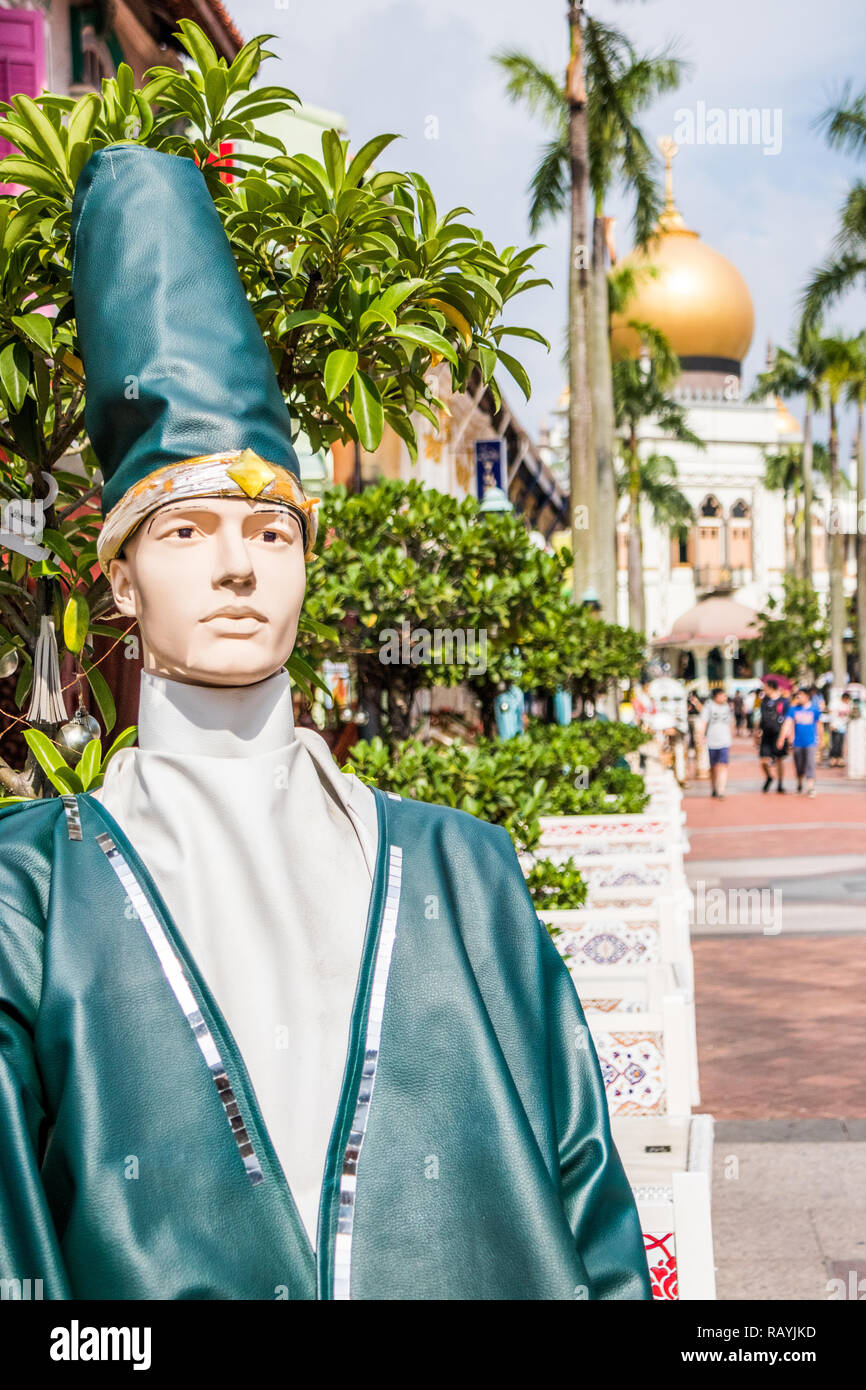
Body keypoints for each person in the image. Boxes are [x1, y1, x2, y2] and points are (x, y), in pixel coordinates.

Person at [0, 146, 649, 1302]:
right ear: (117, 580)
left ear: (310, 562)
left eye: (272, 532)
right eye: (186, 532)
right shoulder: (28, 895)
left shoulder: (465, 866)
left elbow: (586, 1194)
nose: (237, 567)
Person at [782, 688, 820, 796]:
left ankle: (810, 787)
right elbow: (787, 723)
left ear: (807, 697)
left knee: (810, 764)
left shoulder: (814, 709)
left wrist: (820, 739)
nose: (798, 698)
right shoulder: (793, 709)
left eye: (800, 696)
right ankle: (799, 784)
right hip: (797, 742)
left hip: (811, 742)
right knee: (799, 765)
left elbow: (819, 724)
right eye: (797, 696)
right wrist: (783, 737)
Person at [755, 677, 790, 792]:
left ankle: (780, 784)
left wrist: (785, 736)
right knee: (763, 760)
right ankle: (769, 777)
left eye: (765, 687)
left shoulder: (783, 701)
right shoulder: (764, 701)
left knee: (779, 759)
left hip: (779, 734)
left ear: (771, 688)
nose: (764, 689)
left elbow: (787, 719)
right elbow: (760, 718)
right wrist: (757, 731)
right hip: (766, 734)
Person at [700, 687, 733, 798]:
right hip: (712, 740)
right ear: (716, 696)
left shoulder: (727, 707)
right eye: (723, 695)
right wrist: (702, 736)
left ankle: (721, 790)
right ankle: (714, 787)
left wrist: (731, 736)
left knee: (723, 765)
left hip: (724, 740)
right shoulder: (708, 707)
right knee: (713, 766)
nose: (725, 697)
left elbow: (730, 723)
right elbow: (703, 722)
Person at [828, 692, 852, 766]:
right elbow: (831, 713)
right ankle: (833, 759)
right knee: (835, 743)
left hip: (843, 727)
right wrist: (832, 724)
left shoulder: (848, 705)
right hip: (835, 725)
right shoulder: (836, 703)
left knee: (841, 744)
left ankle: (839, 759)